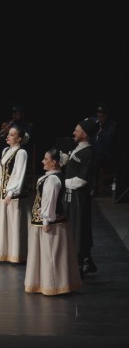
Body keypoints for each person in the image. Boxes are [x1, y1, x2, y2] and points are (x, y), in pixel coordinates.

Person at [24, 148, 81, 296]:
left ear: (54, 162)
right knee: (45, 254)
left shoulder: (53, 179)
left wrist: (46, 221)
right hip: (45, 221)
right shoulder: (50, 177)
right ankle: (44, 283)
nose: (43, 161)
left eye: (46, 159)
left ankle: (54, 285)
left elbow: (49, 201)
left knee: (51, 254)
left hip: (51, 223)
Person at [0, 126, 28, 263]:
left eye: (12, 135)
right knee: (2, 224)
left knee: (13, 225)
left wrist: (11, 192)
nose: (8, 136)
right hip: (3, 194)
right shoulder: (5, 151)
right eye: (8, 134)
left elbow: (18, 175)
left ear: (19, 139)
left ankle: (14, 254)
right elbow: (0, 173)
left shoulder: (21, 153)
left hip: (13, 197)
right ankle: (1, 252)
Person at [64, 118, 97, 276]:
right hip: (71, 195)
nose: (74, 133)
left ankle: (79, 262)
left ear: (85, 134)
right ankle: (85, 260)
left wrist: (65, 183)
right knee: (73, 226)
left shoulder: (88, 153)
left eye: (77, 131)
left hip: (78, 197)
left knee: (78, 227)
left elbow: (83, 179)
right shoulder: (78, 148)